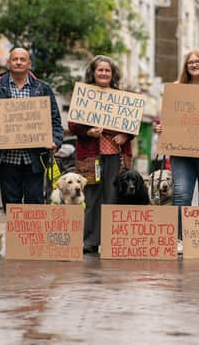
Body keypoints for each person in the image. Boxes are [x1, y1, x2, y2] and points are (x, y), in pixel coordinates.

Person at [154, 50, 199, 251]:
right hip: (182, 152)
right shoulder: (176, 89)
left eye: (198, 61)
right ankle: (179, 239)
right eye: (190, 62)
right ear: (185, 66)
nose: (194, 64)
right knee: (182, 195)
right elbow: (167, 119)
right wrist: (161, 127)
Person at [0, 48, 63, 212]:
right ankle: (14, 239)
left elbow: (54, 119)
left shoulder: (43, 88)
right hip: (6, 158)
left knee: (35, 203)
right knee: (11, 205)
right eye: (15, 59)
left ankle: (33, 238)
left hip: (34, 158)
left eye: (22, 59)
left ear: (29, 64)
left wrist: (56, 141)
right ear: (8, 63)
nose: (18, 62)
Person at [68, 55, 134, 255]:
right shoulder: (84, 95)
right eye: (100, 70)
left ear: (112, 74)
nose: (104, 73)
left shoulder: (121, 96)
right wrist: (88, 132)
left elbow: (133, 125)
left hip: (116, 157)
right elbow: (72, 125)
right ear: (93, 73)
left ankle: (112, 240)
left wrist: (125, 135)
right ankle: (90, 241)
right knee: (92, 197)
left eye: (107, 70)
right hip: (91, 157)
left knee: (113, 197)